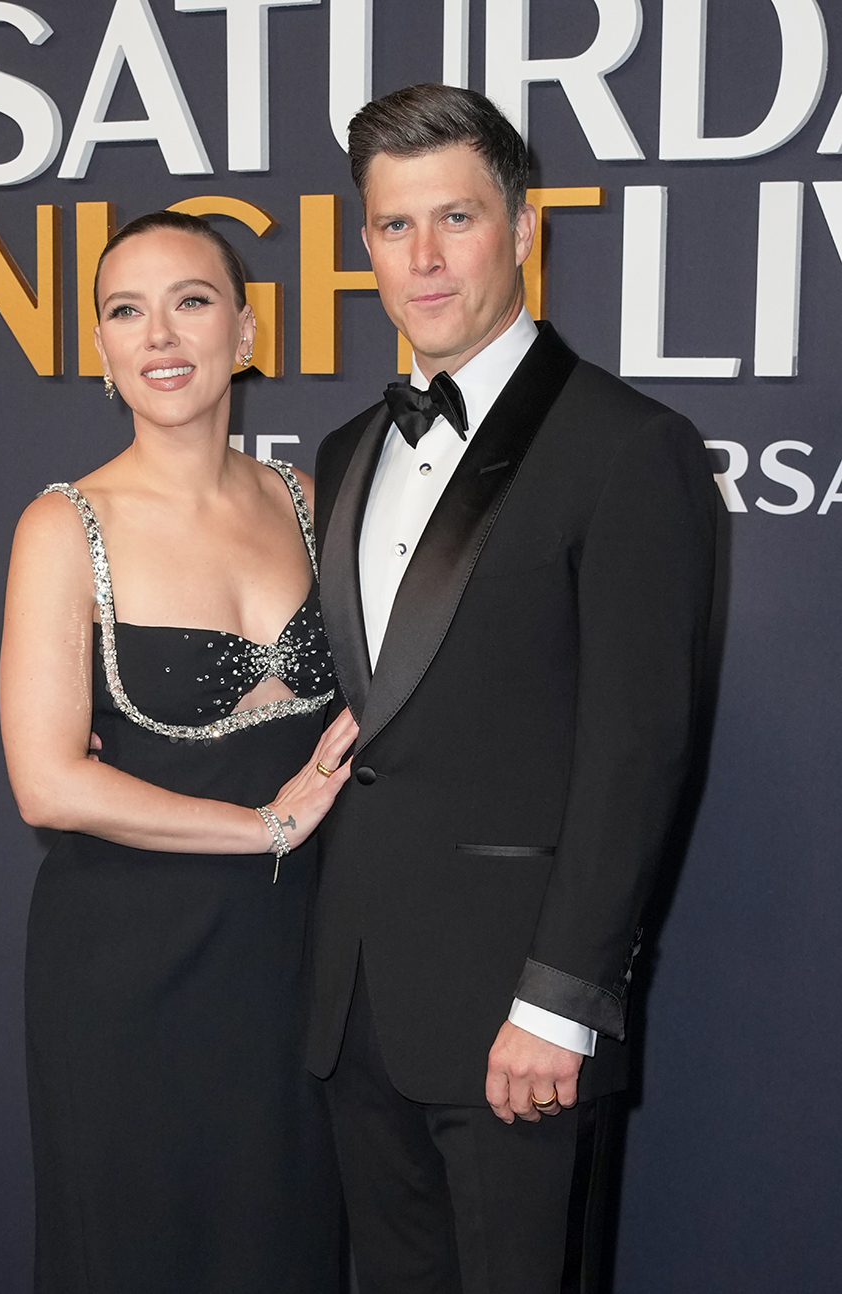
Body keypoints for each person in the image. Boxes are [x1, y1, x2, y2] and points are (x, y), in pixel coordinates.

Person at [307, 84, 717, 1293]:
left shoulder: (628, 447)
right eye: (393, 226)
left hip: (515, 1019)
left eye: (458, 219)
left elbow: (638, 750)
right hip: (356, 1007)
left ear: (523, 226)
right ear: (365, 243)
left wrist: (562, 1000)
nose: (424, 259)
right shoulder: (343, 452)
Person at [0, 209, 355, 1294]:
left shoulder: (306, 502)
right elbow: (47, 783)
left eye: (191, 301)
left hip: (293, 963)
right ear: (101, 352)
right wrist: (267, 825)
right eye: (125, 310)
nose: (159, 333)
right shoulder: (65, 525)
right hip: (127, 971)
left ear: (245, 332)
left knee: (282, 1249)